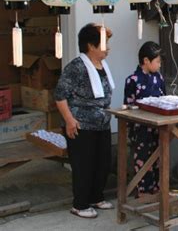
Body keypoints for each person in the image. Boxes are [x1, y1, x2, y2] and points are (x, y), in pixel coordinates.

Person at [55, 23, 115, 218]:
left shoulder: (103, 65)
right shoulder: (76, 67)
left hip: (102, 123)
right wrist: (69, 120)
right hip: (81, 124)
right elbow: (60, 95)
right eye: (104, 44)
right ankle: (80, 204)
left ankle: (96, 197)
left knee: (102, 163)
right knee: (84, 165)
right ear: (91, 46)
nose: (108, 48)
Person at [124, 41, 166, 201]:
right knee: (142, 157)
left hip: (158, 125)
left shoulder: (159, 77)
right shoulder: (132, 80)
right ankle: (142, 190)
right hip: (140, 127)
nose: (159, 65)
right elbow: (128, 104)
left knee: (158, 156)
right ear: (146, 61)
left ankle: (156, 187)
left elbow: (164, 97)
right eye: (157, 61)